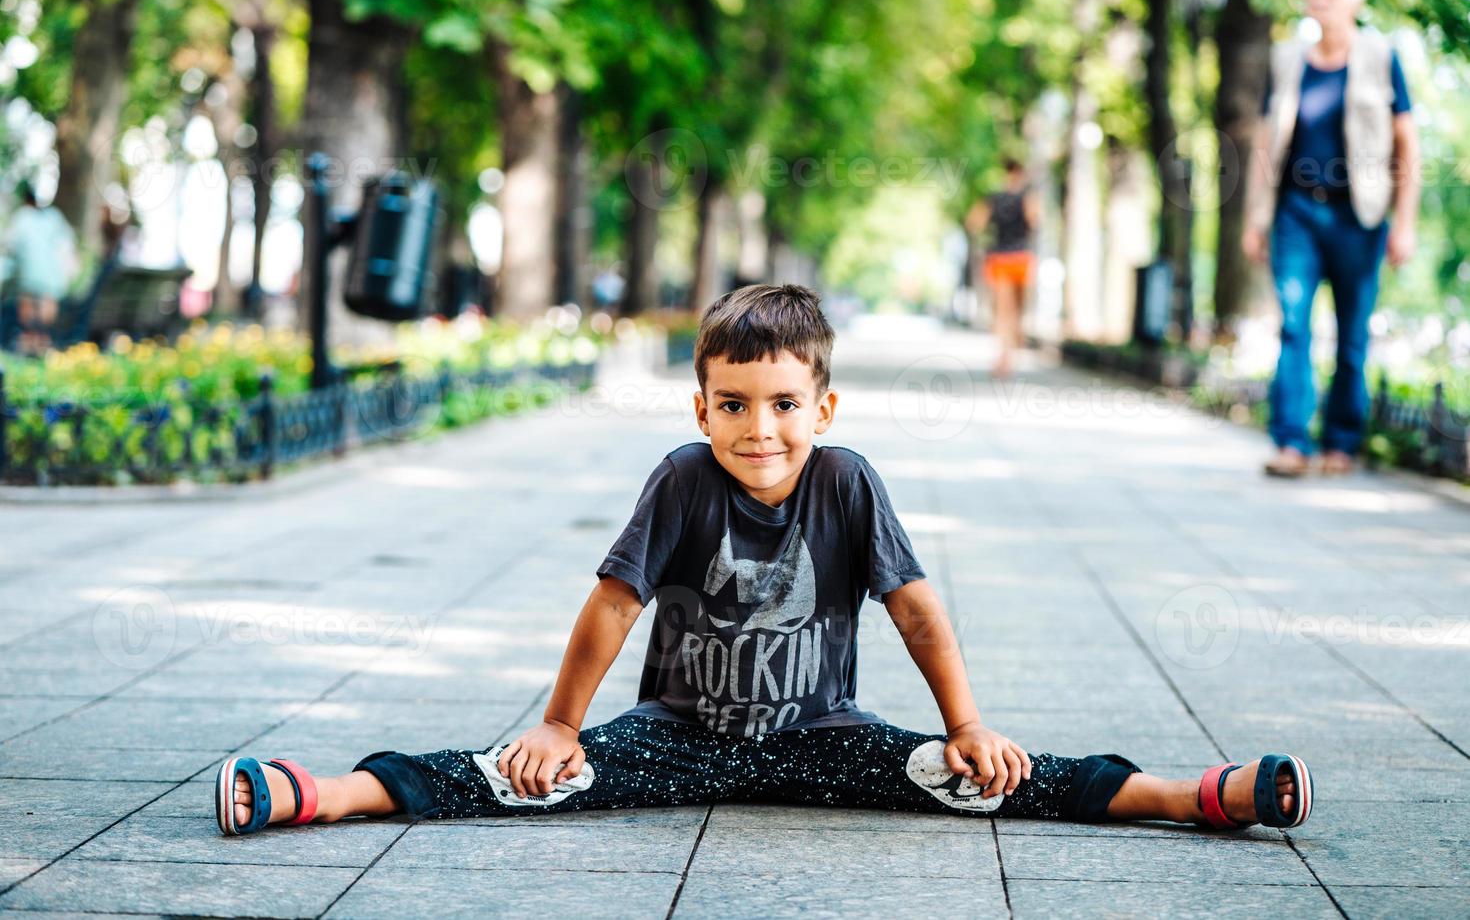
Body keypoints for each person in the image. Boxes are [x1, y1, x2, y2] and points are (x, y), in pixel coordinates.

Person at [214, 284, 1313, 837]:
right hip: (678, 737)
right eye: (733, 405)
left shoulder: (848, 482)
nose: (761, 428)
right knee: (529, 775)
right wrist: (557, 719)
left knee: (973, 778)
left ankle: (1180, 792)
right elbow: (611, 602)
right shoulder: (683, 479)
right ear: (702, 407)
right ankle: (335, 791)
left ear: (822, 406)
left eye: (785, 404)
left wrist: (967, 721)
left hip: (818, 735)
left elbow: (917, 608)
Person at [1242, 0, 1420, 478]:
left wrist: (1404, 221)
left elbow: (1407, 142)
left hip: (1359, 216)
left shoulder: (1380, 56)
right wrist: (1256, 219)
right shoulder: (1286, 59)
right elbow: (1264, 143)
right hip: (1296, 210)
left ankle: (1341, 443)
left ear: (1354, 3)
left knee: (1352, 334)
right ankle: (1291, 443)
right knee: (1293, 326)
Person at [965, 158, 1039, 379]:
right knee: (1017, 310)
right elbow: (1035, 221)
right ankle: (1009, 356)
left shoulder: (993, 199)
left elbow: (973, 223)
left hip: (998, 257)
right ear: (1021, 174)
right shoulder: (1028, 197)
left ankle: (1002, 358)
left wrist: (987, 236)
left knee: (1002, 310)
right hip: (1021, 258)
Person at [3, 183, 78, 355]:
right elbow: (67, 244)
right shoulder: (54, 217)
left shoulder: (23, 216)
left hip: (29, 276)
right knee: (45, 304)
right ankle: (42, 342)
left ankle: (29, 342)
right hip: (53, 277)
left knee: (28, 304)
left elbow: (9, 244)